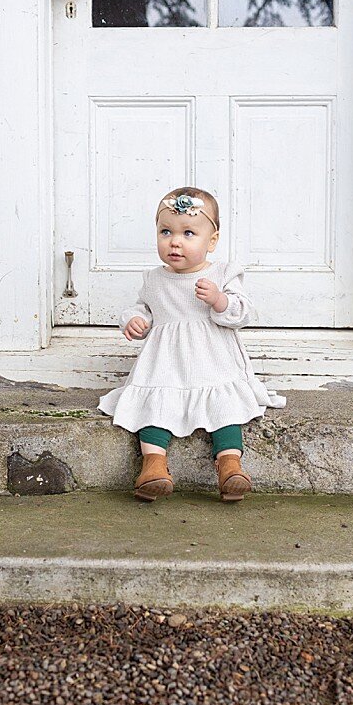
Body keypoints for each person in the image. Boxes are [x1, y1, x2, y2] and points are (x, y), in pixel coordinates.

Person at [97, 187, 286, 503]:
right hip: (166, 365)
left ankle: (229, 465)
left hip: (214, 361)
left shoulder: (222, 273)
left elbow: (243, 312)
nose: (175, 241)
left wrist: (219, 300)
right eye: (166, 231)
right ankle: (153, 465)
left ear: (211, 241)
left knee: (225, 407)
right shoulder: (155, 279)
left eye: (188, 233)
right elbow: (143, 307)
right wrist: (133, 320)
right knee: (154, 407)